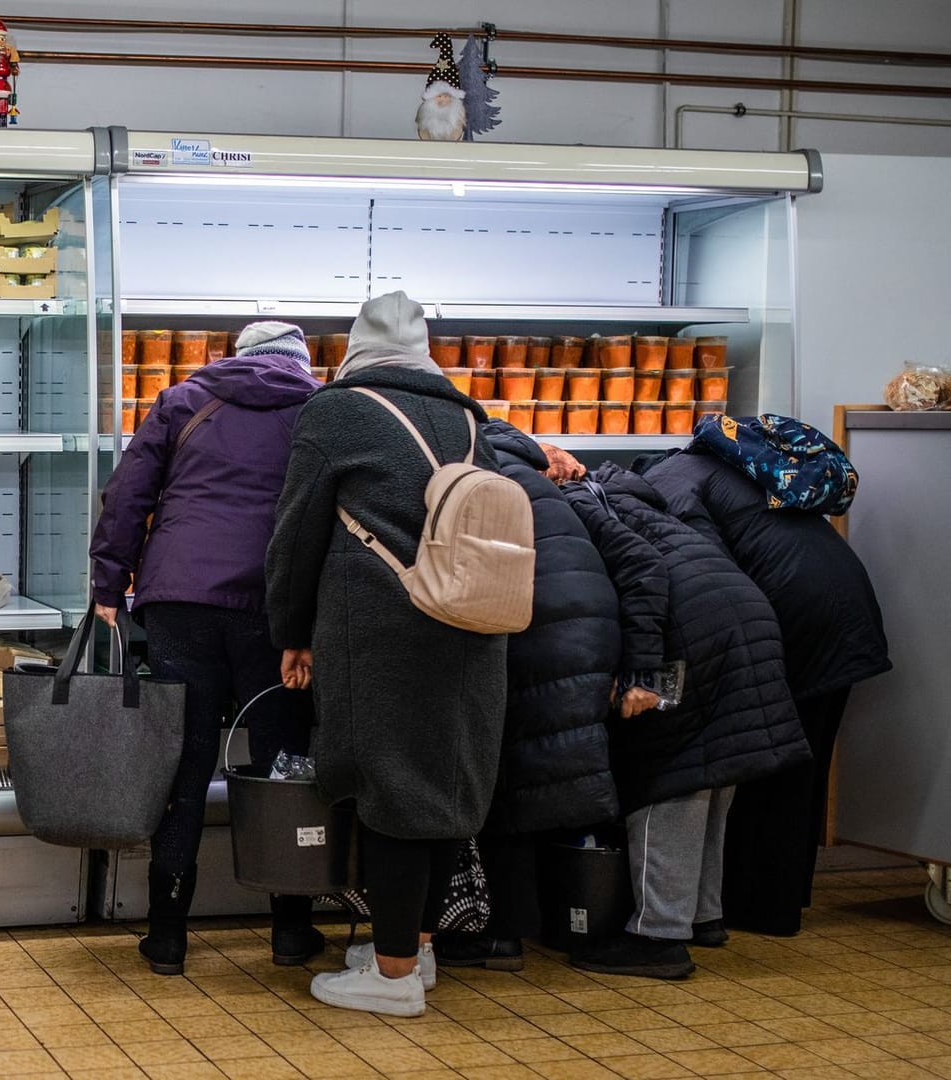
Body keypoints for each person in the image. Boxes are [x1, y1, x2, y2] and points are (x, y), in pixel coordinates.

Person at [264, 292, 507, 1018]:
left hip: (382, 630)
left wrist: (290, 630)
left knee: (391, 790)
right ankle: (417, 948)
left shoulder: (336, 412)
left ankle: (393, 975)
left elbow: (297, 534)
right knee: (441, 789)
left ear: (355, 347)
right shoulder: (468, 417)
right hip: (471, 626)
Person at [89, 321, 322, 976]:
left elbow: (126, 497)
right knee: (284, 762)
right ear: (300, 364)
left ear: (239, 358)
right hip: (276, 611)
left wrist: (110, 585)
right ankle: (290, 930)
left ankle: (167, 936)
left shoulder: (185, 398)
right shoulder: (320, 411)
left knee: (183, 764)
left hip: (180, 599)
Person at [560, 462, 808, 979]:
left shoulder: (581, 501)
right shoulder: (641, 496)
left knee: (666, 775)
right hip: (744, 612)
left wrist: (641, 675)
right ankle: (703, 915)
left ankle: (658, 935)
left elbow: (642, 573)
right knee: (713, 773)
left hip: (692, 631)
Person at [641, 424, 889, 937]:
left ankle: (756, 907)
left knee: (761, 756)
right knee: (805, 761)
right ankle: (782, 900)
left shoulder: (664, 481)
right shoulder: (731, 468)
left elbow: (702, 574)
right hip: (847, 604)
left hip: (794, 611)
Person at [430, 424, 622, 973]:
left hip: (536, 641)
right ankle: (555, 923)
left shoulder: (481, 483)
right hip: (586, 635)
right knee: (542, 780)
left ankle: (500, 935)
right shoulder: (532, 480)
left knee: (504, 785)